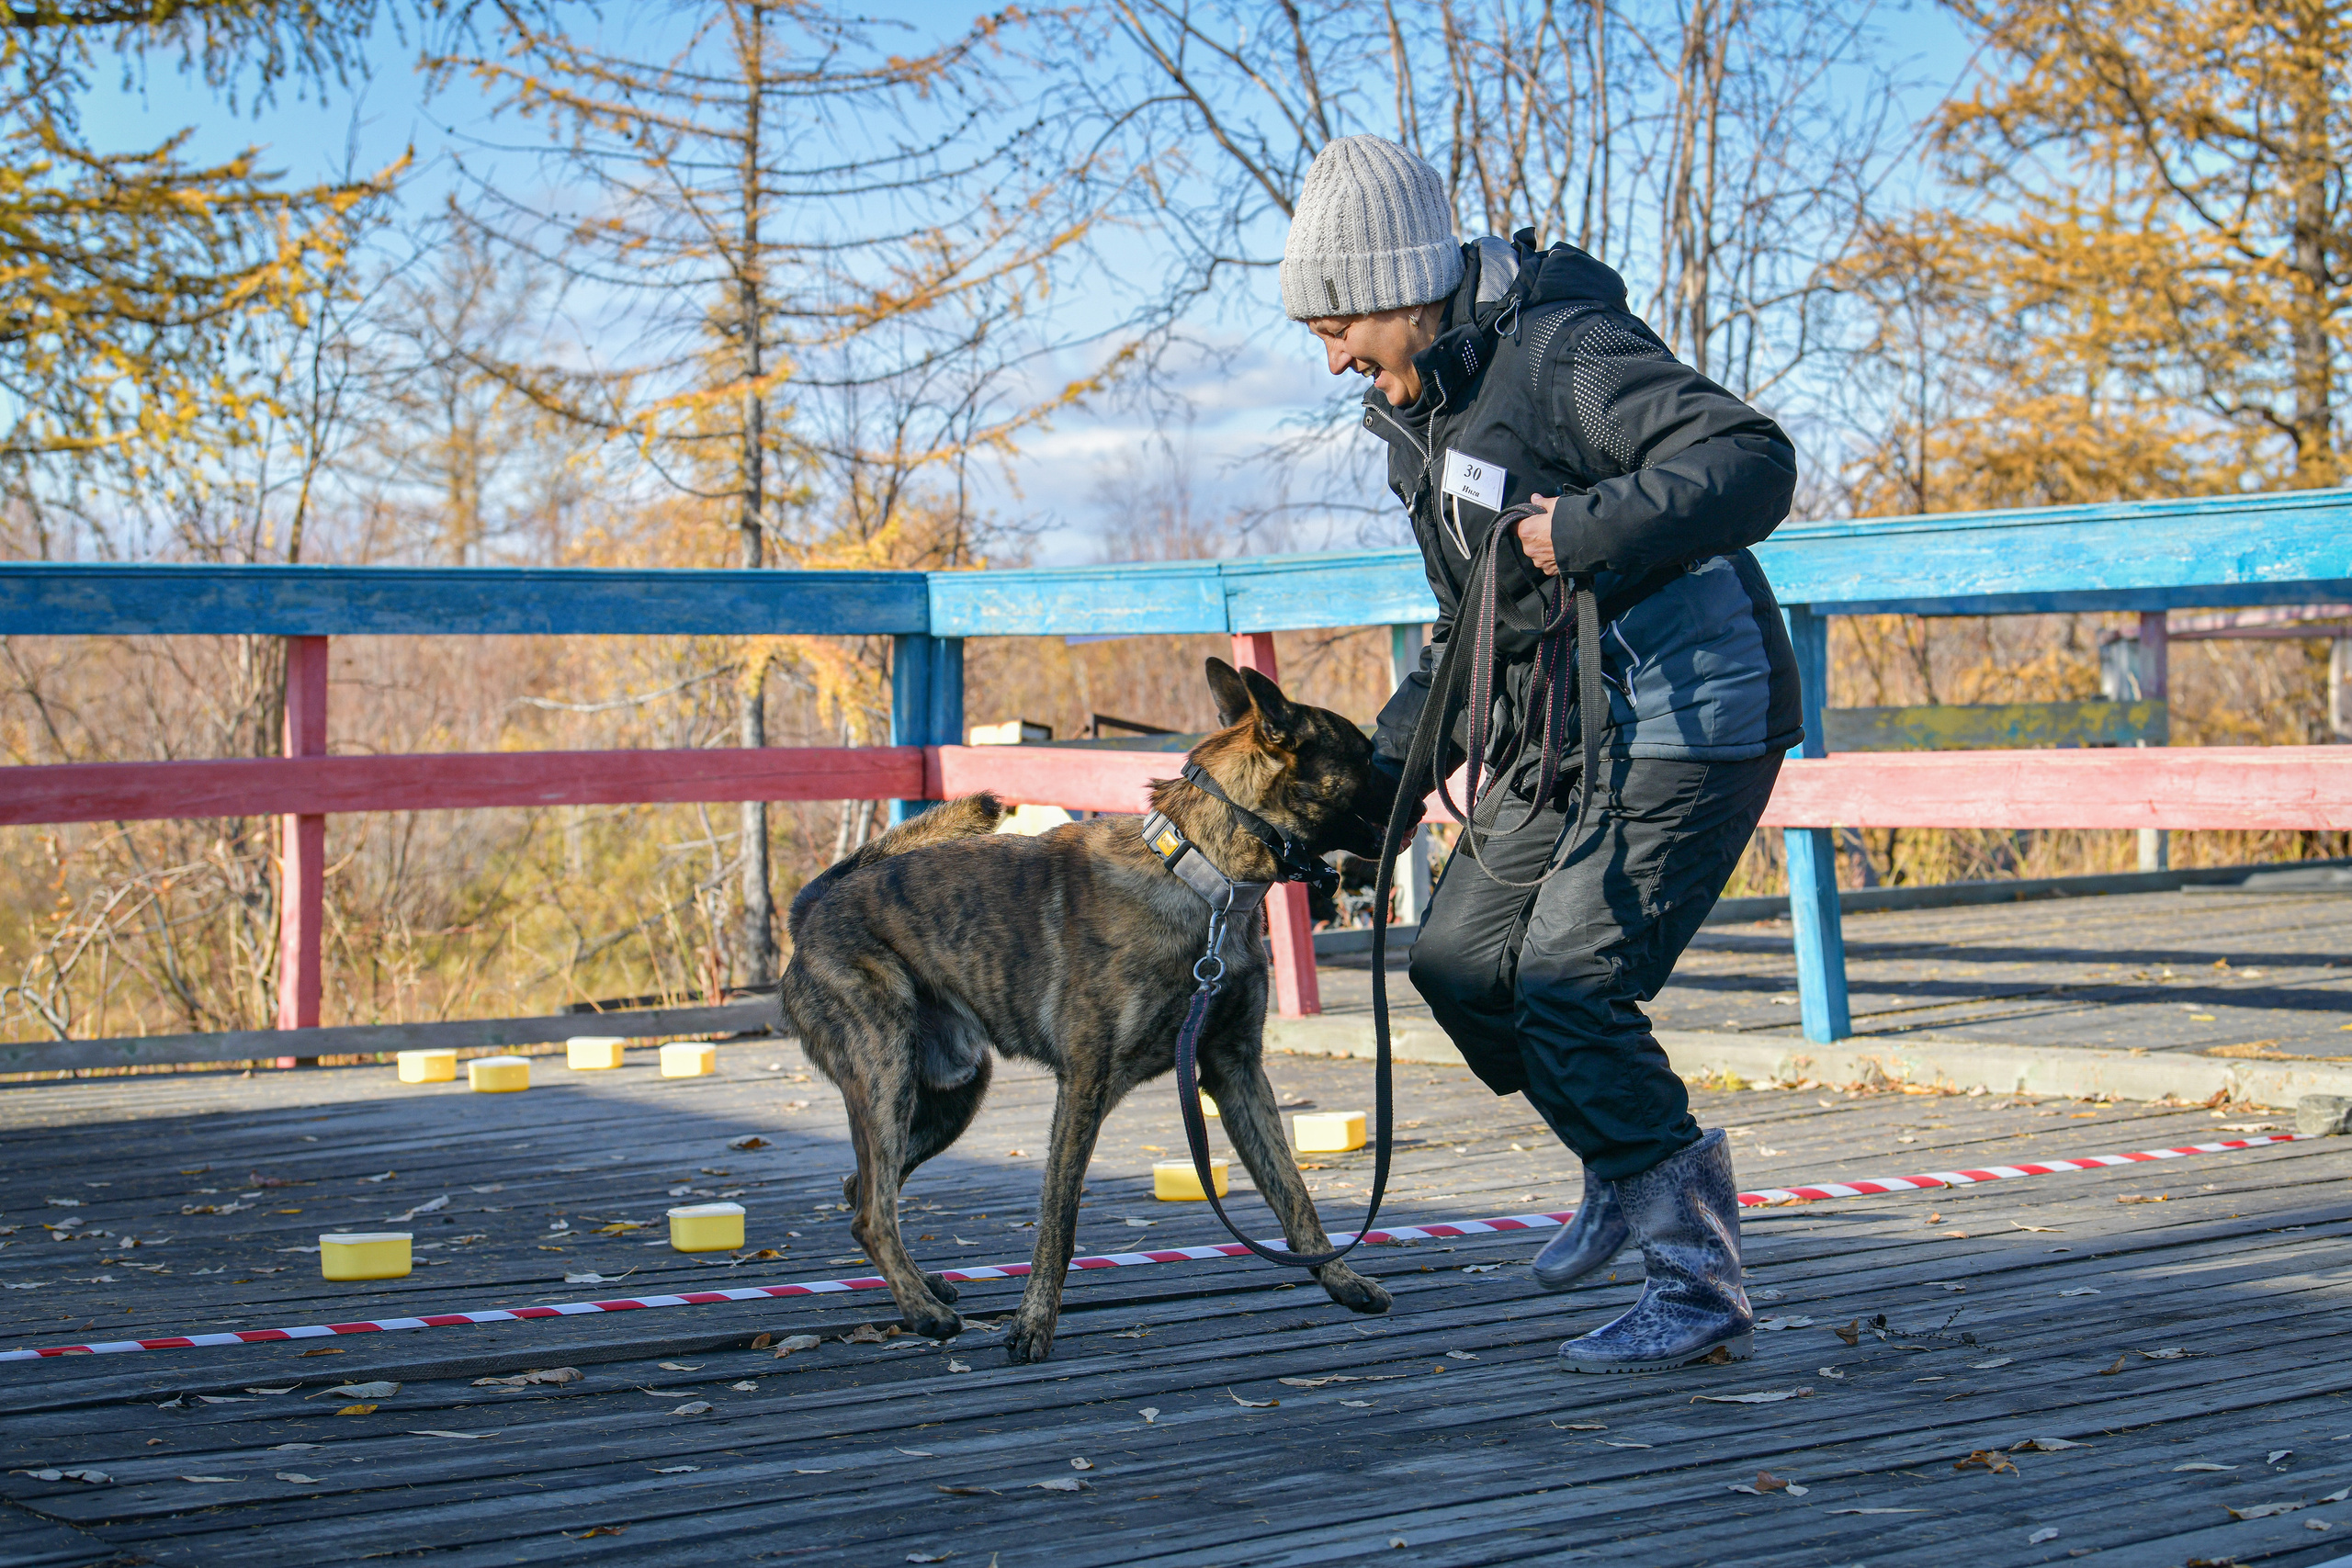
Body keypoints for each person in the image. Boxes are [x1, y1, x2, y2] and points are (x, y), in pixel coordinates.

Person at [1284, 135, 1803, 1374]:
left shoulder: (1563, 351)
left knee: (1570, 984)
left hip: (1687, 708)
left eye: (1340, 325)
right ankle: (1627, 1163)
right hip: (1557, 722)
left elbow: (1751, 461)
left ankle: (1696, 1281)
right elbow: (1470, 629)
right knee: (1460, 965)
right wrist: (1367, 809)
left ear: (1405, 287)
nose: (1334, 357)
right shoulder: (1421, 414)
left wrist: (1587, 526)